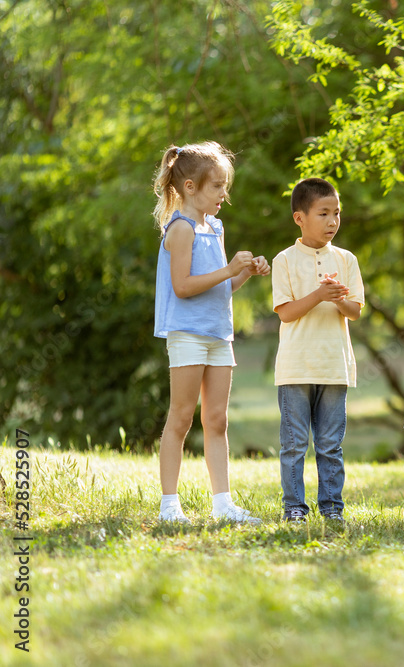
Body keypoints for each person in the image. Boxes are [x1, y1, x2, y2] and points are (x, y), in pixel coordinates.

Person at [153, 141, 270, 524]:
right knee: (182, 417)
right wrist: (227, 269)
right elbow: (184, 286)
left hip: (219, 334)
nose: (224, 194)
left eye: (224, 185)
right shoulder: (181, 228)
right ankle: (170, 506)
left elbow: (220, 287)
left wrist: (243, 273)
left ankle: (223, 503)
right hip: (187, 333)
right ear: (190, 187)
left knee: (217, 419)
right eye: (217, 186)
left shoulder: (215, 226)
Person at [271, 178, 364, 523]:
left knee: (330, 445)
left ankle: (332, 508)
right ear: (300, 218)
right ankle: (294, 505)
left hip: (334, 365)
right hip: (296, 366)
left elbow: (355, 311)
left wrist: (339, 298)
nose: (332, 221)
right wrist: (318, 295)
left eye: (336, 213)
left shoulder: (346, 259)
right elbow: (285, 312)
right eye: (323, 213)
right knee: (294, 445)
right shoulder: (284, 261)